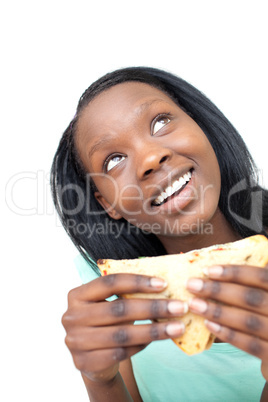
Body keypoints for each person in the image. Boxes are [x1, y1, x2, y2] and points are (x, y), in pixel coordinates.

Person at [51, 67, 268, 401]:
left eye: (160, 122)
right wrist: (100, 380)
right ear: (108, 202)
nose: (151, 158)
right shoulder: (107, 289)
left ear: (203, 127)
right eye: (114, 160)